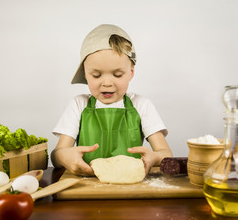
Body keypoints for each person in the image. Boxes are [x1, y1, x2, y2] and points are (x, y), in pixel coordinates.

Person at [51, 24, 172, 176]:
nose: (107, 83)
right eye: (96, 75)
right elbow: (56, 156)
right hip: (87, 185)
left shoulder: (141, 105)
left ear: (131, 73)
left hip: (130, 186)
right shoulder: (78, 105)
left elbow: (165, 153)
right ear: (85, 74)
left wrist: (154, 157)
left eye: (117, 74)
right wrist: (63, 156)